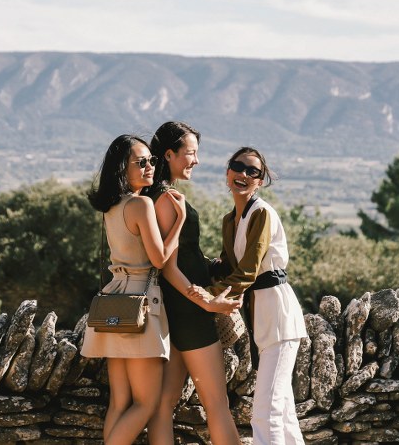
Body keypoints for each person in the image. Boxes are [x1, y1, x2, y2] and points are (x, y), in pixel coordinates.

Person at [191, 146, 308, 445]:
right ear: (227, 171)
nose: (243, 174)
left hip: (279, 317)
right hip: (262, 319)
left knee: (264, 412)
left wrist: (206, 299)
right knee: (281, 411)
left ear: (260, 180)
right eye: (237, 166)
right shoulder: (230, 220)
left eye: (252, 171)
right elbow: (225, 266)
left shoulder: (262, 213)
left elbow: (247, 272)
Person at [81, 134, 187, 445]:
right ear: (121, 169)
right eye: (140, 162)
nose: (149, 166)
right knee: (146, 404)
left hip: (115, 301)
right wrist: (178, 221)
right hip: (142, 303)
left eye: (151, 160)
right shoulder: (141, 204)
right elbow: (158, 259)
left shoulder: (111, 208)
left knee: (119, 402)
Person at [144, 122, 243, 445]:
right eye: (191, 153)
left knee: (163, 405)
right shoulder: (166, 199)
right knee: (217, 404)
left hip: (175, 311)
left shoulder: (153, 195)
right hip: (190, 312)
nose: (196, 160)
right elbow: (168, 267)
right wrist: (206, 302)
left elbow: (182, 256)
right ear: (169, 154)